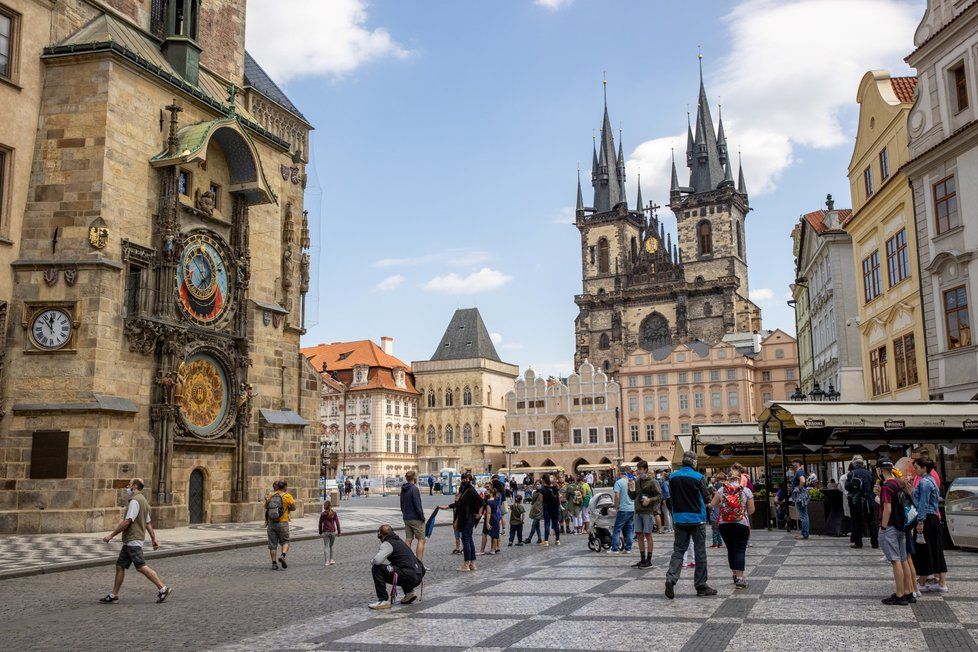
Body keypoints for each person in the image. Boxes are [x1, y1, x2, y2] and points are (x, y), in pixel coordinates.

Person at [98, 478, 171, 604]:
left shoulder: (135, 501)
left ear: (135, 486)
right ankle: (114, 594)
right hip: (130, 541)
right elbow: (147, 522)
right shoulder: (143, 501)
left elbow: (128, 521)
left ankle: (163, 588)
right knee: (120, 566)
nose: (127, 486)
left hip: (133, 539)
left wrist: (111, 535)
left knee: (141, 566)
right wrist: (154, 539)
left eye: (130, 484)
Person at [665, 451, 716, 599]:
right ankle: (701, 586)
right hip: (696, 519)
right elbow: (706, 498)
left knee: (678, 551)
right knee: (700, 552)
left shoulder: (673, 477)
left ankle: (671, 578)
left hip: (679, 518)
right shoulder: (698, 477)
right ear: (694, 463)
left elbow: (670, 498)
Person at [878, 456, 916, 605]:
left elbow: (887, 508)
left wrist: (883, 526)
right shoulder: (900, 483)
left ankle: (900, 595)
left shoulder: (887, 486)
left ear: (880, 470)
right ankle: (909, 591)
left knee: (895, 561)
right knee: (904, 558)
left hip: (892, 526)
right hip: (902, 526)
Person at [711, 463, 754, 590]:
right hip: (741, 524)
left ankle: (735, 575)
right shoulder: (746, 491)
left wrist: (725, 506)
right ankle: (740, 580)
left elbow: (713, 505)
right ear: (740, 478)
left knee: (731, 549)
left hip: (725, 525)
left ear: (728, 478)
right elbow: (751, 510)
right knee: (740, 550)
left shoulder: (721, 490)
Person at [911, 458, 948, 594]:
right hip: (933, 518)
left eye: (916, 468)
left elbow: (923, 503)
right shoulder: (931, 480)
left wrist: (920, 521)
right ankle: (942, 583)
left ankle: (921, 581)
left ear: (924, 468)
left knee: (924, 550)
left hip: (927, 518)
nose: (915, 470)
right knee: (936, 549)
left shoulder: (925, 482)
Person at [368, 524, 426, 609]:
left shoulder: (387, 543)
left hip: (408, 575)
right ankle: (409, 593)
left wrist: (372, 561)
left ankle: (383, 600)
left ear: (380, 535)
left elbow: (377, 561)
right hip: (418, 575)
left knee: (377, 568)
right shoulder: (400, 541)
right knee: (399, 567)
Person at [628, 460, 662, 568]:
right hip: (637, 511)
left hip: (647, 512)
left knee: (648, 534)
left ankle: (649, 559)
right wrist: (630, 488)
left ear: (645, 470)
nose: (638, 472)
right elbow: (633, 497)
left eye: (640, 470)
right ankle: (642, 559)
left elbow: (659, 496)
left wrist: (650, 500)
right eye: (637, 470)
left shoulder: (652, 481)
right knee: (639, 534)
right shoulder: (637, 481)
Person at [455, 472, 485, 571]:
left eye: (466, 479)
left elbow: (482, 502)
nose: (464, 480)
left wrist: (479, 514)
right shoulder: (465, 489)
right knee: (469, 539)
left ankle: (466, 564)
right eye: (463, 478)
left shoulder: (471, 490)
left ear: (470, 480)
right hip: (465, 518)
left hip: (469, 518)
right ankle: (472, 563)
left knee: (465, 539)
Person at [846, 456, 877, 549]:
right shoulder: (869, 473)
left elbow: (847, 486)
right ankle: (875, 542)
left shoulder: (851, 473)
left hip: (856, 501)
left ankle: (858, 542)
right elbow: (873, 485)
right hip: (869, 501)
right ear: (863, 465)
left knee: (856, 522)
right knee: (871, 522)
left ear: (854, 465)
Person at [264, 479, 296, 570]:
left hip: (271, 523)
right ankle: (283, 556)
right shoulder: (287, 496)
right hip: (283, 522)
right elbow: (294, 508)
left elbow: (266, 507)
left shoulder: (270, 495)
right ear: (285, 487)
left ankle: (274, 563)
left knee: (272, 544)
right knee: (285, 541)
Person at [400, 470, 427, 562]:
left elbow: (401, 504)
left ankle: (407, 562)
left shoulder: (403, 489)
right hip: (416, 518)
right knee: (421, 540)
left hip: (406, 517)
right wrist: (422, 517)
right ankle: (419, 564)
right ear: (414, 478)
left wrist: (405, 513)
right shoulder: (414, 489)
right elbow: (417, 505)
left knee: (408, 539)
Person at [609, 466, 635, 554]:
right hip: (632, 508)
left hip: (623, 508)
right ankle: (628, 548)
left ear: (620, 473)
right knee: (629, 529)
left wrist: (615, 507)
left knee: (617, 529)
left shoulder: (618, 482)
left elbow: (617, 496)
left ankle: (614, 548)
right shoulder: (631, 481)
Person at [539, 474, 562, 546]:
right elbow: (559, 497)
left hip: (547, 507)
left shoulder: (542, 488)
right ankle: (557, 540)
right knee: (556, 524)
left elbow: (541, 499)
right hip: (555, 507)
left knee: (547, 524)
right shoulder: (556, 487)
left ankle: (546, 541)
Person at [790, 460, 809, 540]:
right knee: (804, 515)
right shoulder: (799, 472)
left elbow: (803, 480)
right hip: (801, 495)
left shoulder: (799, 472)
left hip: (800, 496)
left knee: (803, 515)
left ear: (798, 464)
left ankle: (804, 534)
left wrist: (799, 488)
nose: (792, 465)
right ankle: (804, 533)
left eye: (793, 463)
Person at [480, 486, 502, 555]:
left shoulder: (488, 502)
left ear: (491, 493)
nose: (486, 492)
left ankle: (482, 550)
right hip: (495, 517)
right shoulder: (496, 499)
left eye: (488, 491)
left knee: (484, 533)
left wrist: (487, 523)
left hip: (490, 518)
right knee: (494, 534)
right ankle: (493, 550)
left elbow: (488, 513)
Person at [319, 500, 341, 566]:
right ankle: (331, 559)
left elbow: (320, 523)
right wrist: (339, 531)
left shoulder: (323, 514)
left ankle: (327, 561)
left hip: (325, 532)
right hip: (332, 532)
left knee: (326, 546)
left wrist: (320, 531)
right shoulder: (334, 513)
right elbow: (337, 523)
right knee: (331, 546)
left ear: (324, 507)